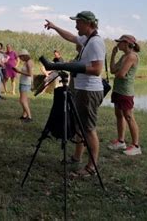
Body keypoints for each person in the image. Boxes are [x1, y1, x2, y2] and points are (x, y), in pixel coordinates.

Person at [44, 11, 105, 178]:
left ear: (87, 23)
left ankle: (92, 167)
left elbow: (97, 69)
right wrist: (55, 27)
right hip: (82, 89)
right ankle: (77, 157)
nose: (76, 25)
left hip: (89, 91)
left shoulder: (95, 43)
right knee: (80, 126)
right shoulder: (87, 40)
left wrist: (71, 66)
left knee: (89, 129)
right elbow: (71, 37)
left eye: (78, 22)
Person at [108, 34, 142, 156]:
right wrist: (113, 55)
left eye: (120, 42)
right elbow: (112, 70)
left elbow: (121, 74)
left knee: (128, 116)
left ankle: (136, 146)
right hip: (118, 90)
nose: (118, 44)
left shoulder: (132, 56)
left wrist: (116, 74)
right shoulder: (124, 56)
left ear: (127, 43)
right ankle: (121, 141)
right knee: (119, 115)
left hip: (125, 92)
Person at [13, 49, 33, 122]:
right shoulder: (27, 62)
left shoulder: (29, 63)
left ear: (24, 56)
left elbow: (30, 74)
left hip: (25, 83)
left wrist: (19, 72)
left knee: (22, 100)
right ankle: (24, 115)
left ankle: (29, 116)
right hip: (24, 82)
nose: (20, 58)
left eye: (21, 57)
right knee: (24, 100)